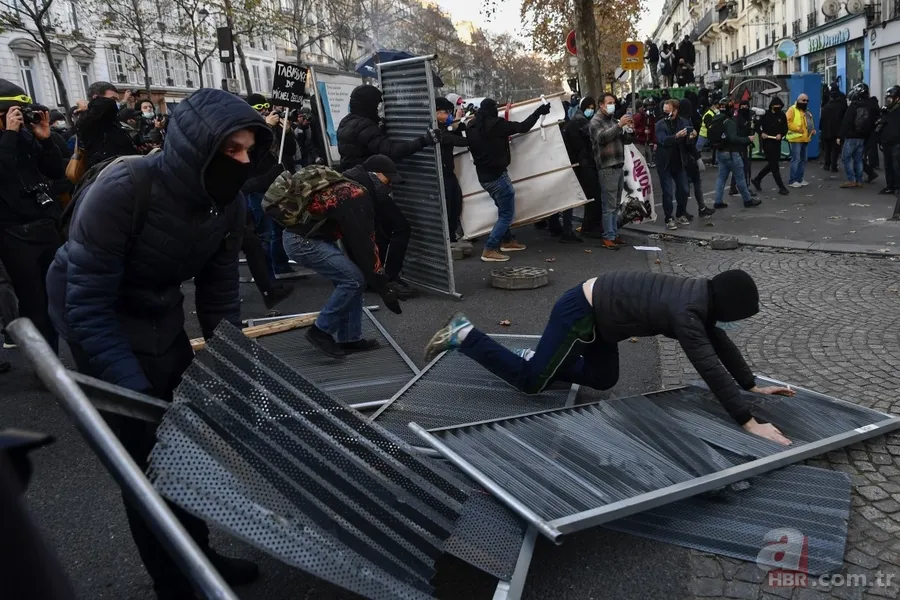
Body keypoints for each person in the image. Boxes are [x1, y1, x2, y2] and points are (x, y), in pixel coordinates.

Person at [45, 88, 269, 600]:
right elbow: (87, 305)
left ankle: (198, 554)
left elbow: (219, 294)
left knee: (182, 442)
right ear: (196, 148)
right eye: (231, 150)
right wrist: (131, 392)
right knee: (145, 453)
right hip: (95, 317)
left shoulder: (228, 205)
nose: (243, 161)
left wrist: (235, 367)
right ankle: (175, 580)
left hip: (158, 311)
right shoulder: (123, 187)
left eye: (249, 151)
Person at [423, 270, 795, 446]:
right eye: (735, 316)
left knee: (603, 378)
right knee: (531, 383)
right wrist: (747, 422)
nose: (731, 323)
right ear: (726, 305)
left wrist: (751, 386)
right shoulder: (688, 312)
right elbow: (708, 364)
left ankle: (543, 358)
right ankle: (464, 334)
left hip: (603, 319)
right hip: (581, 312)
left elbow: (720, 345)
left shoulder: (700, 297)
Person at [281, 155, 405, 357]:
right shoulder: (356, 195)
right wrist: (383, 287)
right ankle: (320, 331)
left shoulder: (351, 181)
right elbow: (363, 243)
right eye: (388, 180)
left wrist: (375, 277)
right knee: (353, 280)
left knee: (353, 277)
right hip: (304, 241)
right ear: (376, 174)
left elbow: (356, 241)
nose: (390, 187)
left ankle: (349, 339)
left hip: (307, 238)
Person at [0, 80, 64, 354]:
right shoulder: (10, 140)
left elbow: (55, 170)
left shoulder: (28, 137)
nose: (20, 117)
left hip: (46, 226)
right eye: (13, 112)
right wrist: (10, 136)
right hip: (14, 234)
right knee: (34, 301)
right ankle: (45, 365)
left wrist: (46, 138)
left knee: (61, 293)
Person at [467, 98, 551, 261]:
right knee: (506, 214)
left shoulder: (471, 125)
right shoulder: (497, 125)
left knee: (502, 209)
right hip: (498, 176)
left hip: (483, 177)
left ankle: (507, 240)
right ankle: (490, 248)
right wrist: (538, 112)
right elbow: (523, 127)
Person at [337, 85, 437, 170]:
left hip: (350, 176)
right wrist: (423, 141)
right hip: (364, 179)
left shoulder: (346, 121)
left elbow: (360, 147)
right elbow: (391, 151)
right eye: (376, 106)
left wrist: (379, 130)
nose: (377, 109)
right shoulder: (365, 125)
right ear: (368, 105)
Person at [589, 93, 633, 247]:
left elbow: (626, 140)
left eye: (613, 102)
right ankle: (607, 235)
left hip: (618, 165)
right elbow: (602, 138)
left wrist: (629, 130)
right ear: (601, 105)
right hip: (607, 166)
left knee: (615, 204)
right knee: (609, 205)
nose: (612, 105)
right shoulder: (596, 121)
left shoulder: (613, 120)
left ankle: (614, 233)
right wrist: (619, 125)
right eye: (609, 102)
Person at [562, 97, 602, 239]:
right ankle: (590, 227)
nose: (591, 110)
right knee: (593, 196)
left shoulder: (577, 121)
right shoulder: (580, 123)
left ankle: (589, 226)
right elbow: (582, 146)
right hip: (584, 165)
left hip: (583, 164)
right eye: (589, 107)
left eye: (593, 107)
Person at [76, 81, 138, 170]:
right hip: (107, 174)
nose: (115, 104)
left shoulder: (112, 121)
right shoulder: (88, 120)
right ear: (96, 99)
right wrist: (85, 103)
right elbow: (106, 105)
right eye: (113, 99)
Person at [712, 101, 761, 209]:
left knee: (721, 178)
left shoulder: (716, 119)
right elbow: (733, 138)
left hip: (720, 152)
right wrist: (747, 139)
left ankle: (718, 201)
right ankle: (747, 200)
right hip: (732, 153)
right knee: (740, 177)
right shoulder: (729, 121)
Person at [655, 99, 694, 230]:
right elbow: (662, 140)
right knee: (667, 192)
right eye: (664, 110)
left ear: (675, 110)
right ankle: (668, 217)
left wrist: (691, 136)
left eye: (668, 110)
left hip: (679, 161)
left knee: (684, 189)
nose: (665, 113)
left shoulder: (684, 122)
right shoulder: (660, 124)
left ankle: (680, 213)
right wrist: (676, 136)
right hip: (665, 162)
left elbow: (688, 143)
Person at [435, 96, 468, 242]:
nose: (449, 116)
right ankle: (448, 237)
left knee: (455, 202)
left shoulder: (442, 128)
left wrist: (460, 126)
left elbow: (453, 135)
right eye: (446, 112)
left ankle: (452, 233)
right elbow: (456, 140)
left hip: (448, 172)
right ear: (436, 113)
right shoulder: (436, 131)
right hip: (442, 174)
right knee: (448, 206)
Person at [677, 98, 715, 219]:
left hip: (681, 157)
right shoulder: (686, 121)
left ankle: (683, 211)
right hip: (689, 158)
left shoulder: (678, 121)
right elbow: (689, 143)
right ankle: (700, 208)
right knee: (696, 183)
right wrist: (698, 158)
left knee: (684, 186)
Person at [838, 83, 877, 189]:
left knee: (846, 158)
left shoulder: (853, 106)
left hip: (851, 137)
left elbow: (846, 122)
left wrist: (840, 136)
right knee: (858, 159)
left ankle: (851, 179)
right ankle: (859, 180)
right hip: (862, 137)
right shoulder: (868, 106)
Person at [751, 97, 789, 195]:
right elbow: (757, 126)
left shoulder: (782, 115)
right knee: (774, 165)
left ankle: (757, 179)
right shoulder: (765, 115)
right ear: (772, 106)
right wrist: (761, 133)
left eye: (780, 106)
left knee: (773, 163)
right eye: (776, 106)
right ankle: (781, 187)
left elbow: (785, 128)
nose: (778, 108)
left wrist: (781, 134)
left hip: (777, 142)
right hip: (767, 142)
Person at [729, 98, 757, 198]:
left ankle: (734, 187)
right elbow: (741, 131)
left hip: (745, 144)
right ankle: (744, 188)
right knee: (743, 167)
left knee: (742, 167)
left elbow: (752, 129)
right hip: (740, 144)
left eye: (746, 107)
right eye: (743, 107)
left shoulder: (748, 116)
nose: (745, 109)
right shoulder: (738, 118)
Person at [785, 93, 816, 187]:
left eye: (807, 100)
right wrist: (797, 128)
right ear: (798, 100)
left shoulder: (807, 111)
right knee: (796, 159)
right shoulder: (792, 109)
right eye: (803, 100)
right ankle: (792, 180)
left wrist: (812, 130)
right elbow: (787, 121)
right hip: (795, 139)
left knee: (803, 160)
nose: (805, 102)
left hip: (805, 139)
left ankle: (799, 179)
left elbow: (809, 122)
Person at [878, 85, 900, 195]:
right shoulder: (887, 110)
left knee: (896, 165)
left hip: (897, 142)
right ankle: (890, 186)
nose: (888, 100)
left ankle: (897, 187)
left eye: (890, 98)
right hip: (886, 141)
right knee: (888, 165)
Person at [819, 89, 846, 173]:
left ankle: (827, 164)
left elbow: (822, 120)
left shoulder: (825, 107)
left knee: (827, 149)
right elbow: (844, 120)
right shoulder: (842, 107)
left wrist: (821, 129)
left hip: (826, 131)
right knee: (836, 149)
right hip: (837, 131)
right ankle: (834, 166)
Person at [633, 97, 657, 167]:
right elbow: (631, 128)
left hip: (647, 142)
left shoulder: (651, 117)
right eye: (649, 106)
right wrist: (642, 131)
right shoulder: (638, 116)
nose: (650, 108)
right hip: (639, 142)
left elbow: (652, 129)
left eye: (652, 106)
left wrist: (654, 142)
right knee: (641, 161)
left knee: (649, 158)